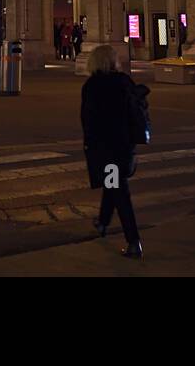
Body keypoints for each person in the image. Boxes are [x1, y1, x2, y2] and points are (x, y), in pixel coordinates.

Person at [80, 44, 143, 258]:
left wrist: (89, 145)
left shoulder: (92, 86)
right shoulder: (124, 82)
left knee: (119, 191)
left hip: (106, 148)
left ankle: (134, 240)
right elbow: (136, 114)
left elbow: (88, 120)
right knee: (113, 185)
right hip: (125, 146)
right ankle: (102, 222)